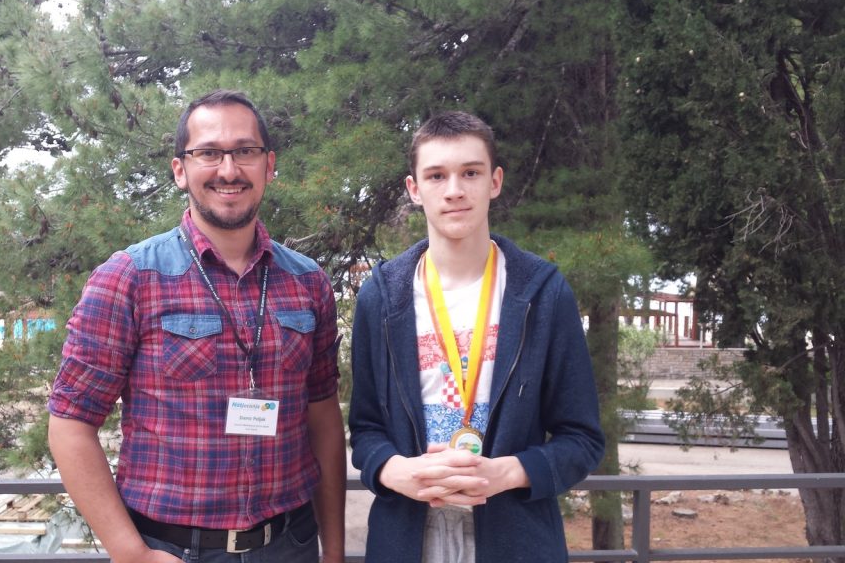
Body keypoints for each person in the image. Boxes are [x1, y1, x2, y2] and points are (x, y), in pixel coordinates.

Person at [48, 89, 346, 563]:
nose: (228, 170)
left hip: (290, 545)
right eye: (208, 153)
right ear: (180, 170)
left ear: (269, 166)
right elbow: (70, 424)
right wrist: (132, 554)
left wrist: (334, 552)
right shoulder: (128, 278)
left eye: (245, 151)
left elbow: (323, 418)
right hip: (171, 550)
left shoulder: (308, 282)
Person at [348, 111, 604, 563]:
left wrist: (508, 472)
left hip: (515, 540)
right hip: (406, 538)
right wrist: (394, 470)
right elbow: (366, 429)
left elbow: (581, 439)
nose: (454, 190)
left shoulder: (542, 293)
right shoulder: (381, 298)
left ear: (495, 181)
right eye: (436, 175)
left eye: (470, 172)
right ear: (414, 189)